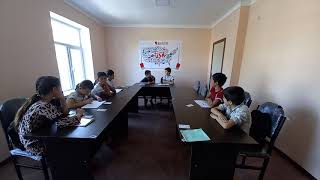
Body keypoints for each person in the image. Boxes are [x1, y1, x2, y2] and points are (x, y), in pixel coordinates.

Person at [14, 76, 83, 155]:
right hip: (34, 144)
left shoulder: (45, 101)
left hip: (40, 136)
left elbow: (64, 114)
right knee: (74, 143)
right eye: (60, 87)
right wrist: (78, 115)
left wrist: (62, 99)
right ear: (54, 89)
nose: (61, 89)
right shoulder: (43, 105)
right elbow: (61, 123)